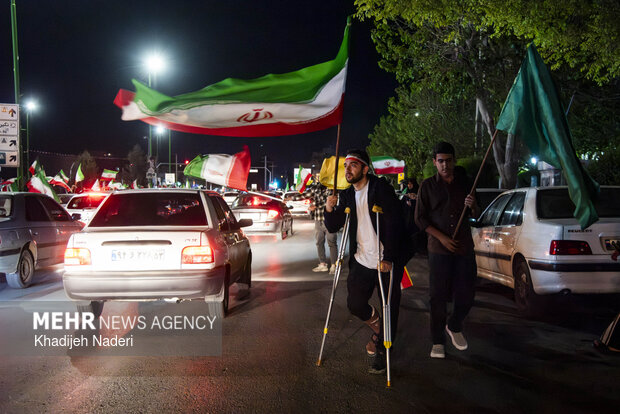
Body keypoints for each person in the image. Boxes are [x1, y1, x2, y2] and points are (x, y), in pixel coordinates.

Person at [324, 149, 406, 374]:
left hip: (385, 260)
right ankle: (378, 329)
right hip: (361, 259)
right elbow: (333, 225)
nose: (347, 169)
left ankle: (383, 352)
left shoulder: (381, 189)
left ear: (365, 169)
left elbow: (395, 223)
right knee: (355, 304)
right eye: (346, 166)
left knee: (389, 307)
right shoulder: (347, 195)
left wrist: (389, 257)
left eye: (353, 165)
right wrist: (329, 207)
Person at [415, 141, 480, 359]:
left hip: (464, 247)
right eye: (441, 161)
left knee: (467, 293)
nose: (445, 165)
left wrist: (473, 205)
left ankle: (454, 325)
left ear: (454, 160)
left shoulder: (466, 183)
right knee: (438, 296)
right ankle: (437, 340)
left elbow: (478, 213)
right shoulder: (427, 186)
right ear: (435, 162)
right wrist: (442, 238)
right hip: (438, 249)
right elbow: (420, 218)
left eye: (448, 161)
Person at [309, 177, 338, 274]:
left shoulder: (332, 188)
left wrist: (315, 206)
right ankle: (322, 264)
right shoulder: (315, 188)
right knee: (319, 242)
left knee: (332, 242)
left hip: (329, 219)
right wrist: (289, 198)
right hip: (318, 219)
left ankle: (334, 265)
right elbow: (305, 194)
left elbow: (329, 201)